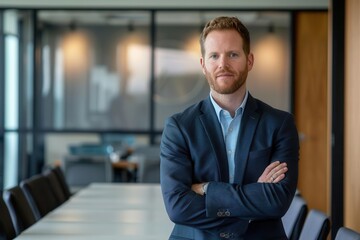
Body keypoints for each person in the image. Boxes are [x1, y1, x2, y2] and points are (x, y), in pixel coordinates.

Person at [160, 16, 299, 240]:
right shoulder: (179, 127)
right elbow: (177, 206)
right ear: (203, 64)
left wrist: (207, 189)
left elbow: (277, 202)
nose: (222, 64)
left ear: (249, 60)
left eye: (233, 54)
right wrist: (254, 199)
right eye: (214, 56)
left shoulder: (279, 124)